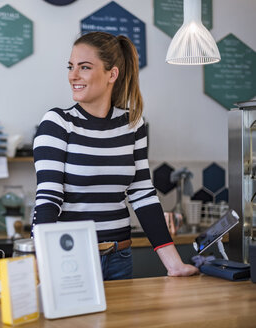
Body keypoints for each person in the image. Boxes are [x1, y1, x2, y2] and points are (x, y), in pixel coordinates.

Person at [32, 31, 199, 280]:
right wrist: (40, 266)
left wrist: (174, 265)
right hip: (71, 259)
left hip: (120, 258)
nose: (73, 76)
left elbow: (142, 193)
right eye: (71, 67)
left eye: (84, 67)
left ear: (112, 74)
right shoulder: (58, 123)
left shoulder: (133, 124)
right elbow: (48, 197)